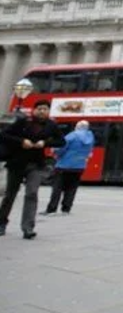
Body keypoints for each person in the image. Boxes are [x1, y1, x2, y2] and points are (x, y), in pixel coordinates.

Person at [0, 100, 65, 239]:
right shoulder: (23, 122)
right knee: (10, 195)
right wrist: (22, 141)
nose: (42, 111)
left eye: (45, 109)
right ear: (34, 110)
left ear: (48, 111)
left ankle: (28, 228)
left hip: (36, 165)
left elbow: (61, 141)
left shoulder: (51, 125)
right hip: (17, 163)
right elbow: (4, 135)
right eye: (39, 109)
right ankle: (1, 222)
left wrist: (45, 143)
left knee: (32, 193)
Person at [42, 120, 94, 216]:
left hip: (64, 165)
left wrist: (55, 152)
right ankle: (66, 209)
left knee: (57, 188)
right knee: (72, 188)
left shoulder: (72, 135)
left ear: (77, 127)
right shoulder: (90, 137)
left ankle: (52, 209)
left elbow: (61, 147)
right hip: (80, 166)